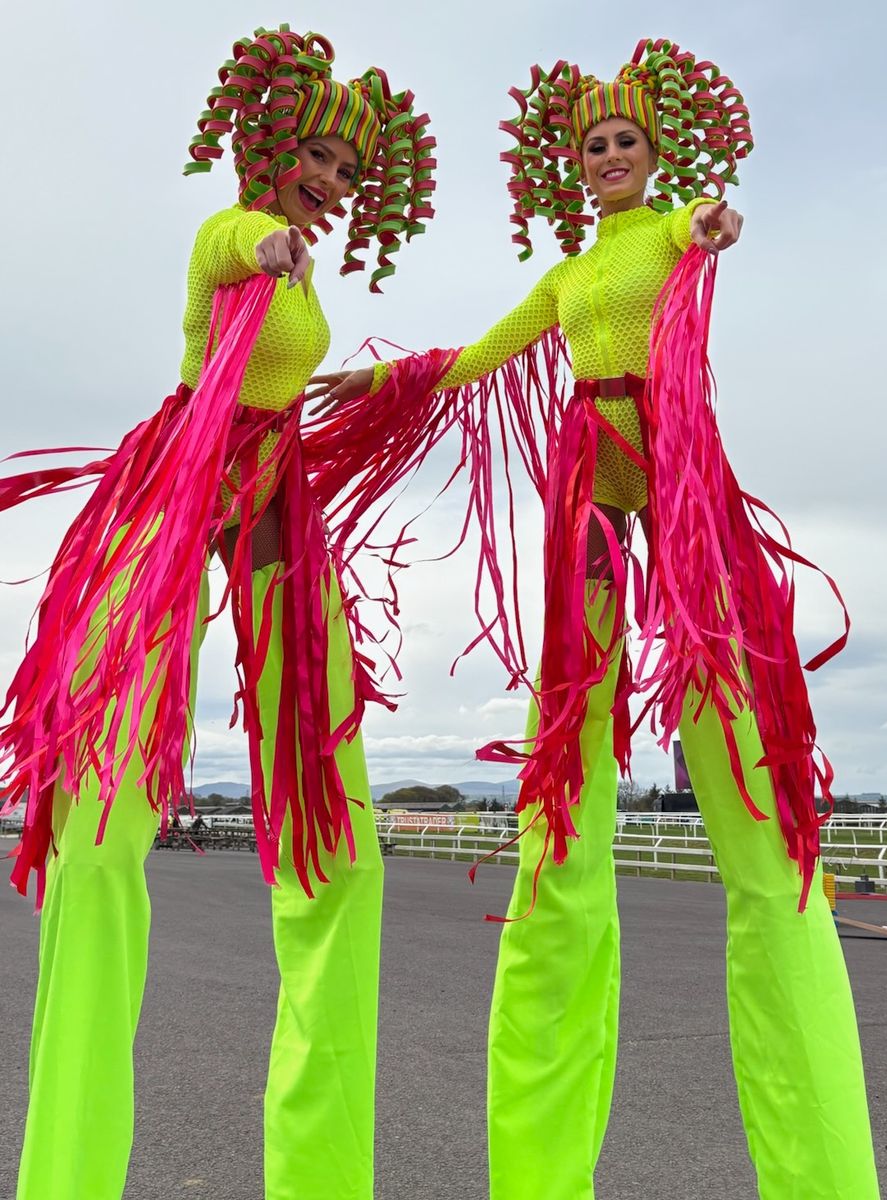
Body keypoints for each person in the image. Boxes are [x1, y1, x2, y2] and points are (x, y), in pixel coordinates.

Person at [310, 38, 880, 1200]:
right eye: (592, 148)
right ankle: (581, 752)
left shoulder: (669, 231)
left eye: (623, 143)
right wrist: (391, 380)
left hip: (669, 456)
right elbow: (488, 352)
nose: (608, 159)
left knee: (720, 640)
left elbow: (708, 227)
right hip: (589, 467)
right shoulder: (570, 276)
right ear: (574, 168)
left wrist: (714, 224)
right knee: (579, 678)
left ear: (652, 152)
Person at [1, 26, 436, 1200]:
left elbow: (287, 365)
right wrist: (267, 241)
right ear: (273, 144)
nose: (336, 187)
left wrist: (389, 380)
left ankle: (324, 1171)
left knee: (338, 840)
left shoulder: (305, 278)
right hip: (181, 483)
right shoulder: (237, 238)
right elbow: (234, 241)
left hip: (272, 507)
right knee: (102, 824)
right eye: (322, 161)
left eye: (352, 174)